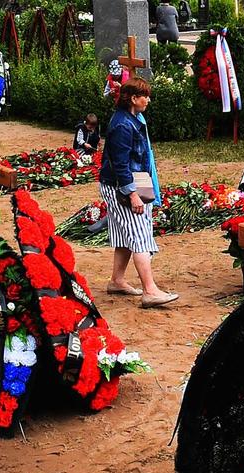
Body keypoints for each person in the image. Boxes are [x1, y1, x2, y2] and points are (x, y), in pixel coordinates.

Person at [99, 77, 178, 309]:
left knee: (126, 236)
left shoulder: (130, 119)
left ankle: (117, 281)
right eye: (145, 96)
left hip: (124, 183)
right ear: (133, 99)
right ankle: (150, 291)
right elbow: (120, 164)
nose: (149, 100)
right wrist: (133, 194)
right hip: (122, 186)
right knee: (140, 235)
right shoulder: (123, 125)